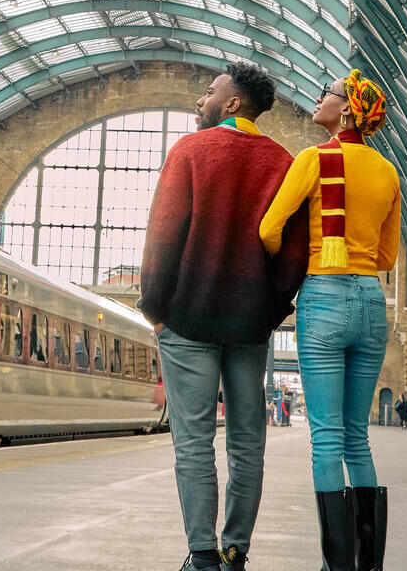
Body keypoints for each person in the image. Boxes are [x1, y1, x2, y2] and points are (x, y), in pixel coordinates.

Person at [141, 62, 305, 571]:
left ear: (232, 103)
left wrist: (156, 310)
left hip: (187, 323)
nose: (200, 101)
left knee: (193, 443)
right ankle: (236, 551)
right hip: (249, 327)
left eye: (209, 92)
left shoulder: (190, 151)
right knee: (248, 443)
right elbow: (294, 252)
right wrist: (269, 309)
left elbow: (163, 235)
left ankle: (202, 555)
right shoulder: (283, 162)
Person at [261, 70, 400, 571]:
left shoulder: (314, 160)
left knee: (325, 437)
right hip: (370, 301)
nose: (319, 98)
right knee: (355, 435)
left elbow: (270, 227)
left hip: (323, 294)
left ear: (346, 109)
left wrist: (287, 270)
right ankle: (367, 564)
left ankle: (336, 565)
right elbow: (386, 256)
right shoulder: (387, 171)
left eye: (328, 93)